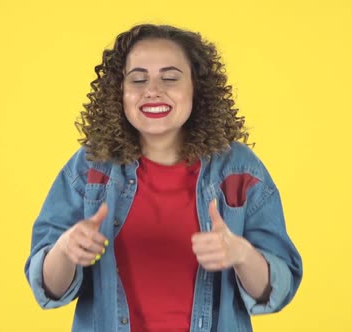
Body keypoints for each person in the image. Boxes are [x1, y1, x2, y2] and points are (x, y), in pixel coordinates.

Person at [24, 23, 302, 332]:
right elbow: (48, 289)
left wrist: (241, 253)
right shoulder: (89, 169)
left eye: (169, 78)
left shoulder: (239, 170)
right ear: (120, 92)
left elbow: (278, 288)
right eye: (138, 79)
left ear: (197, 87)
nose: (152, 90)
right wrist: (66, 250)